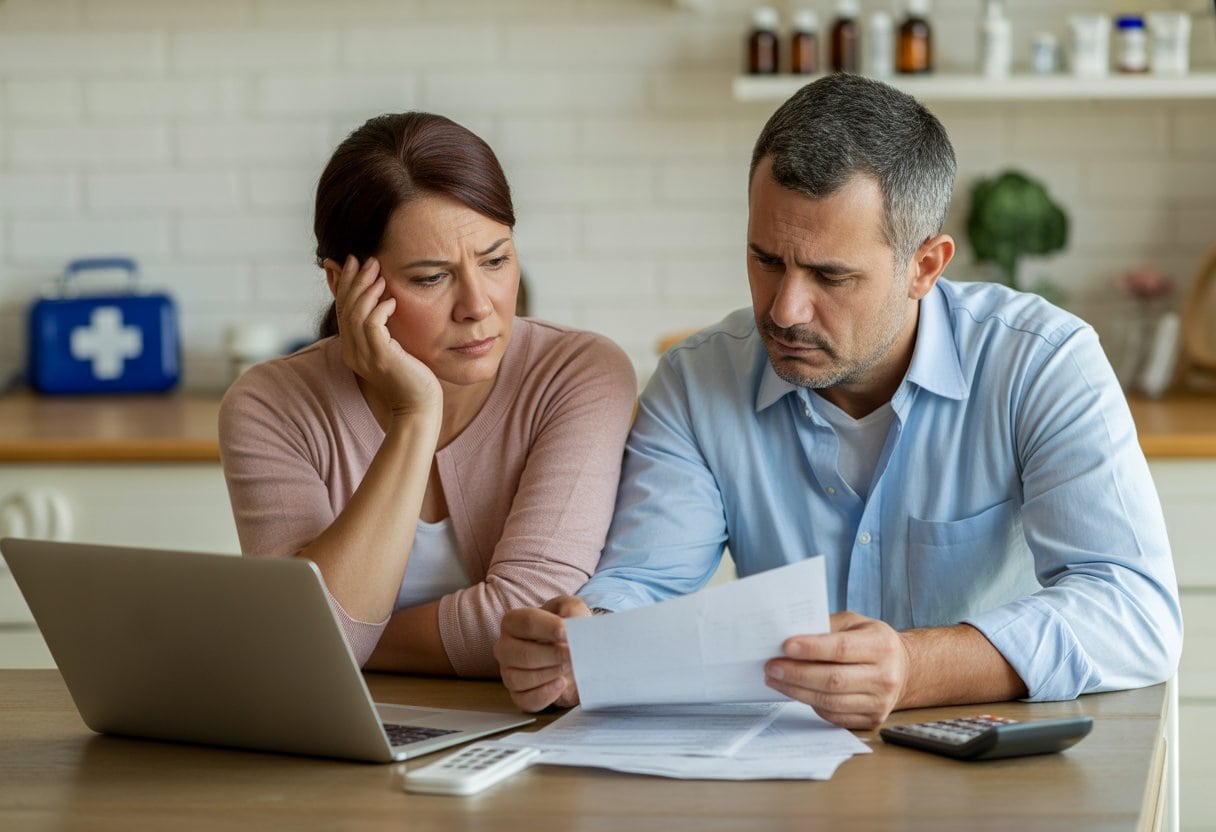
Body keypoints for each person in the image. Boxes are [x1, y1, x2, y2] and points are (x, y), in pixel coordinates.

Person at [494, 73, 1182, 728]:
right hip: (784, 770)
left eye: (830, 275)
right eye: (766, 260)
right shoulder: (696, 382)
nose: (786, 310)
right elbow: (642, 581)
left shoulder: (1040, 362)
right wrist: (582, 646)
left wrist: (913, 668)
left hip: (988, 763)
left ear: (926, 267)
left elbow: (1134, 613)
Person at [218, 112, 636, 678]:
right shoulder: (271, 406)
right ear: (344, 285)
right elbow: (305, 646)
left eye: (495, 261)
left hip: (519, 737)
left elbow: (532, 616)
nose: (478, 306)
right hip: (339, 735)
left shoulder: (579, 373)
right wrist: (415, 413)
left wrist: (329, 639)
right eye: (430, 278)